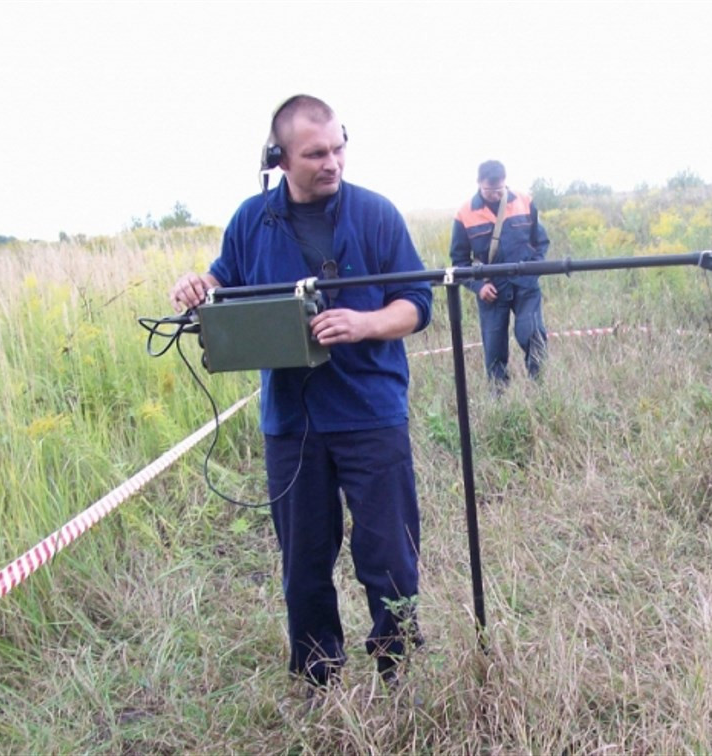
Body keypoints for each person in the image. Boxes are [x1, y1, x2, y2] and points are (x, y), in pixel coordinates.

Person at [169, 95, 431, 692]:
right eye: (316, 153)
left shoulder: (376, 215)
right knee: (304, 563)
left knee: (389, 553)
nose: (332, 162)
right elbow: (223, 281)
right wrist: (196, 286)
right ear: (279, 157)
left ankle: (400, 669)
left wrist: (362, 324)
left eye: (339, 147)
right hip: (292, 424)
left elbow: (418, 303)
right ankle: (319, 678)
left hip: (371, 414)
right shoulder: (251, 220)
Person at [450, 160, 551, 385]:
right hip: (491, 291)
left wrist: (533, 270)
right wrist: (478, 287)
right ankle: (499, 403)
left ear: (505, 183)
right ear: (478, 184)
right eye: (489, 190)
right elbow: (459, 261)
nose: (495, 195)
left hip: (526, 287)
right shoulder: (464, 214)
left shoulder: (524, 202)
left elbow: (541, 242)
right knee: (494, 351)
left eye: (499, 190)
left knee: (532, 335)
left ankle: (542, 391)